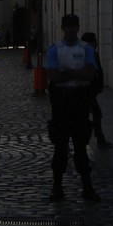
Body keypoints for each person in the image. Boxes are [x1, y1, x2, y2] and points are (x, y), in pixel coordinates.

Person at [44, 14, 100, 202]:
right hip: (61, 101)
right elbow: (53, 77)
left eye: (73, 26)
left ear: (78, 27)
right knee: (60, 145)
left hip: (80, 100)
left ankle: (87, 187)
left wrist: (67, 71)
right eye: (68, 26)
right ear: (63, 28)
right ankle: (57, 187)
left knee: (81, 145)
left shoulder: (86, 49)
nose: (71, 29)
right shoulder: (54, 49)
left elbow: (90, 74)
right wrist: (78, 73)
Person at [81, 32, 113, 149]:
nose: (96, 43)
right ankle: (96, 139)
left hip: (91, 92)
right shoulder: (85, 56)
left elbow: (98, 72)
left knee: (94, 114)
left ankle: (97, 138)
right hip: (86, 92)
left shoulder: (92, 54)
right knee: (94, 114)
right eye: (94, 41)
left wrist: (99, 86)